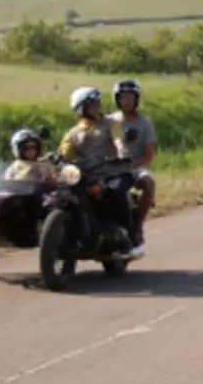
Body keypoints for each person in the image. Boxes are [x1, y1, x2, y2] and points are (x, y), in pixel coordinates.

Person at [58, 86, 142, 259]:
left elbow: (118, 139)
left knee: (116, 192)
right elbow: (63, 153)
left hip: (114, 171)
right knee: (63, 194)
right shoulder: (73, 133)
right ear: (81, 108)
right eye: (91, 104)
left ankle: (128, 239)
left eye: (97, 102)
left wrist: (122, 152)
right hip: (87, 175)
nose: (97, 106)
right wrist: (54, 161)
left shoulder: (111, 124)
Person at [108, 78, 156, 251]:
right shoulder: (108, 121)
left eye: (130, 97)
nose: (126, 101)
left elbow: (149, 155)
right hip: (108, 167)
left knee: (149, 182)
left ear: (137, 99)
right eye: (122, 97)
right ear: (116, 99)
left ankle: (137, 226)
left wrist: (132, 165)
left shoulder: (145, 123)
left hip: (134, 166)